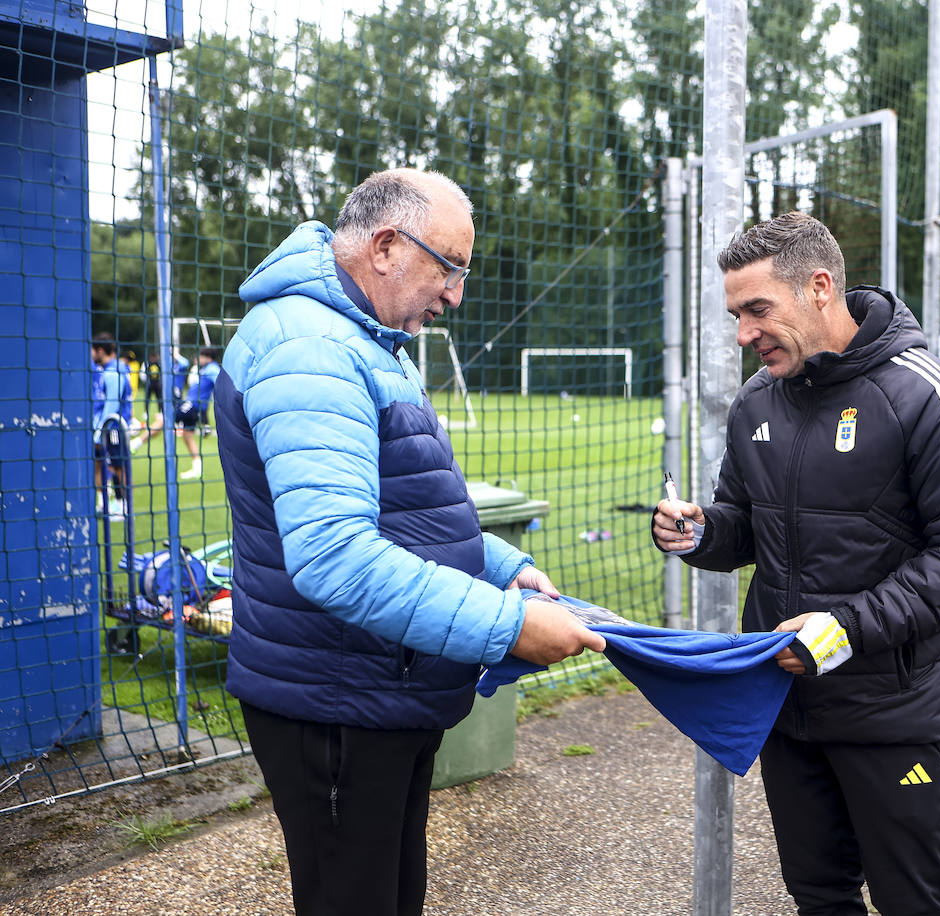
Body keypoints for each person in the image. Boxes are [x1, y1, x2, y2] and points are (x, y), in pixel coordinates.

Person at [215, 167, 606, 916]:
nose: (456, 292)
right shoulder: (310, 348)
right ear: (387, 245)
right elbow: (334, 556)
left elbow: (411, 512)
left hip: (376, 693)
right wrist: (509, 627)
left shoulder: (362, 338)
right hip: (336, 702)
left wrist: (503, 567)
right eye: (449, 266)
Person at [652, 212, 940, 916]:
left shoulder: (925, 393)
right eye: (735, 315)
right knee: (818, 898)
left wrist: (847, 627)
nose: (743, 335)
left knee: (911, 903)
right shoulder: (756, 400)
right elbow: (745, 525)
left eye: (758, 310)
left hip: (893, 713)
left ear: (819, 288)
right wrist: (700, 534)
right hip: (789, 709)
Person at [90, 332, 133, 519]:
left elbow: (112, 404)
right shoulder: (106, 369)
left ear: (100, 350)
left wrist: (101, 432)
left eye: (92, 350)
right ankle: (104, 504)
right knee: (98, 465)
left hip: (113, 427)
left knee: (117, 466)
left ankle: (124, 506)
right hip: (102, 427)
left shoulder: (114, 372)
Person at [129, 348, 190, 454]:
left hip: (177, 400)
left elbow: (185, 363)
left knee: (162, 423)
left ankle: (136, 442)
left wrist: (176, 354)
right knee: (163, 423)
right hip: (168, 399)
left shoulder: (180, 365)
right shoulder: (169, 365)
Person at [173, 347, 221, 479]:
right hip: (192, 406)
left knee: (165, 417)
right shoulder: (205, 369)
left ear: (207, 357)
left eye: (200, 356)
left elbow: (220, 384)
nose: (197, 359)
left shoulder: (212, 369)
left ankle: (136, 442)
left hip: (192, 406)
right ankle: (197, 468)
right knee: (188, 436)